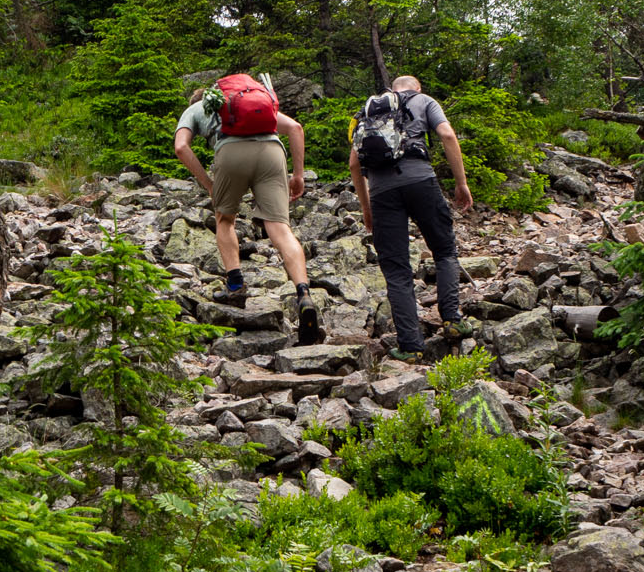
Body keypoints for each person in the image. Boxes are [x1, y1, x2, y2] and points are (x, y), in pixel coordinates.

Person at [172, 80, 324, 343]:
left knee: (225, 219)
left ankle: (235, 285)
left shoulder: (198, 108)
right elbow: (296, 128)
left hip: (231, 153)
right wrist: (298, 175)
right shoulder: (253, 104)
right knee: (279, 227)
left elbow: (181, 147)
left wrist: (208, 183)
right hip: (272, 153)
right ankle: (303, 293)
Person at [347, 74, 474, 363]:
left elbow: (355, 163)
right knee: (443, 250)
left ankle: (410, 346)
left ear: (392, 90)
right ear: (418, 87)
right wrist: (461, 183)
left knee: (396, 269)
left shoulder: (366, 111)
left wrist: (366, 209)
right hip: (421, 182)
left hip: (381, 193)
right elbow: (447, 135)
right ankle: (452, 320)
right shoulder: (424, 101)